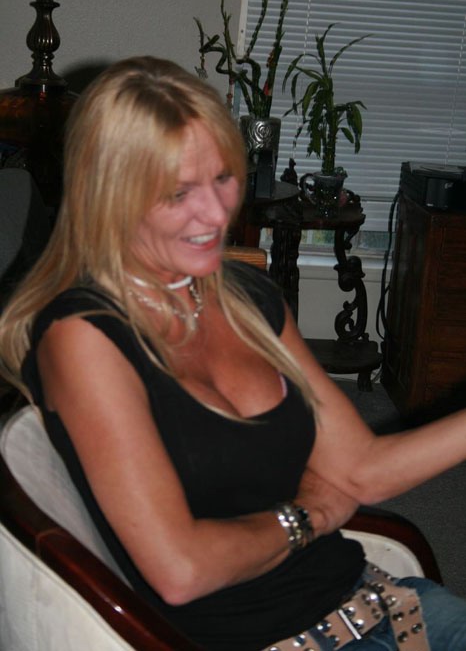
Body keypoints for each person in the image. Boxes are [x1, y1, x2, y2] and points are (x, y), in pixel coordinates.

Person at [0, 56, 466, 651]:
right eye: (178, 193)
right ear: (107, 195)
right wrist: (309, 515)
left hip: (376, 602)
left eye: (223, 177)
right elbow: (181, 570)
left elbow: (361, 469)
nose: (218, 213)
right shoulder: (83, 337)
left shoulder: (248, 296)